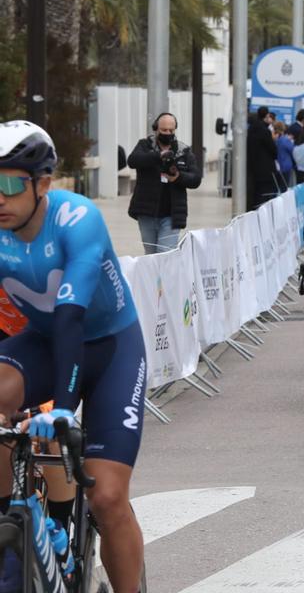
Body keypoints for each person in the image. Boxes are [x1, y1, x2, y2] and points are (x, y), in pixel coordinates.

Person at [0, 121, 147, 592]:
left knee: (105, 497)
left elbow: (71, 321)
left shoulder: (77, 219)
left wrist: (63, 408)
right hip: (43, 343)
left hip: (110, 349)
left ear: (43, 184)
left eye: (9, 183)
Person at [126, 112, 202, 254]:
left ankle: (165, 277)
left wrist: (178, 177)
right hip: (146, 212)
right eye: (164, 130)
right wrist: (158, 156)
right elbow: (132, 161)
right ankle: (153, 277)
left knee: (164, 254)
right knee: (150, 254)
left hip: (172, 214)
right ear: (156, 129)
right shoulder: (145, 145)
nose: (168, 133)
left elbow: (196, 178)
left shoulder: (183, 151)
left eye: (171, 130)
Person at [247, 106, 279, 211]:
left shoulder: (251, 129)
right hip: (265, 169)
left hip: (252, 167)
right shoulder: (265, 131)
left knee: (254, 193)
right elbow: (273, 150)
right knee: (264, 194)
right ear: (266, 116)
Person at [273, 121, 295, 188]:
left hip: (277, 165)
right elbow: (292, 150)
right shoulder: (285, 140)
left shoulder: (274, 139)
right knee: (285, 186)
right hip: (286, 166)